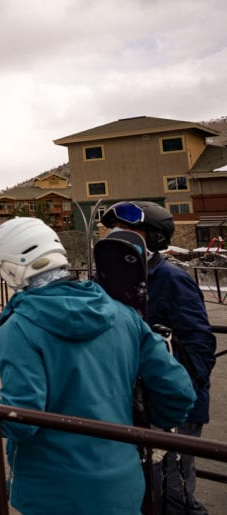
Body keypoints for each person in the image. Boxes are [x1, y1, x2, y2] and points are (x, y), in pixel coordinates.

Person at [0, 217, 195, 514]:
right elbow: (179, 391)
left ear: (12, 268)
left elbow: (20, 418)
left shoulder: (20, 327)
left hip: (52, 489)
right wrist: (156, 427)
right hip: (123, 483)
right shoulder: (123, 313)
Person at [100, 201, 216, 514]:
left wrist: (180, 393)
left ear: (152, 237)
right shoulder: (112, 280)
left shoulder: (170, 278)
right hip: (133, 399)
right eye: (113, 230)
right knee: (144, 486)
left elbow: (199, 342)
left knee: (172, 490)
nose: (116, 235)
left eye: (128, 231)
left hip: (173, 403)